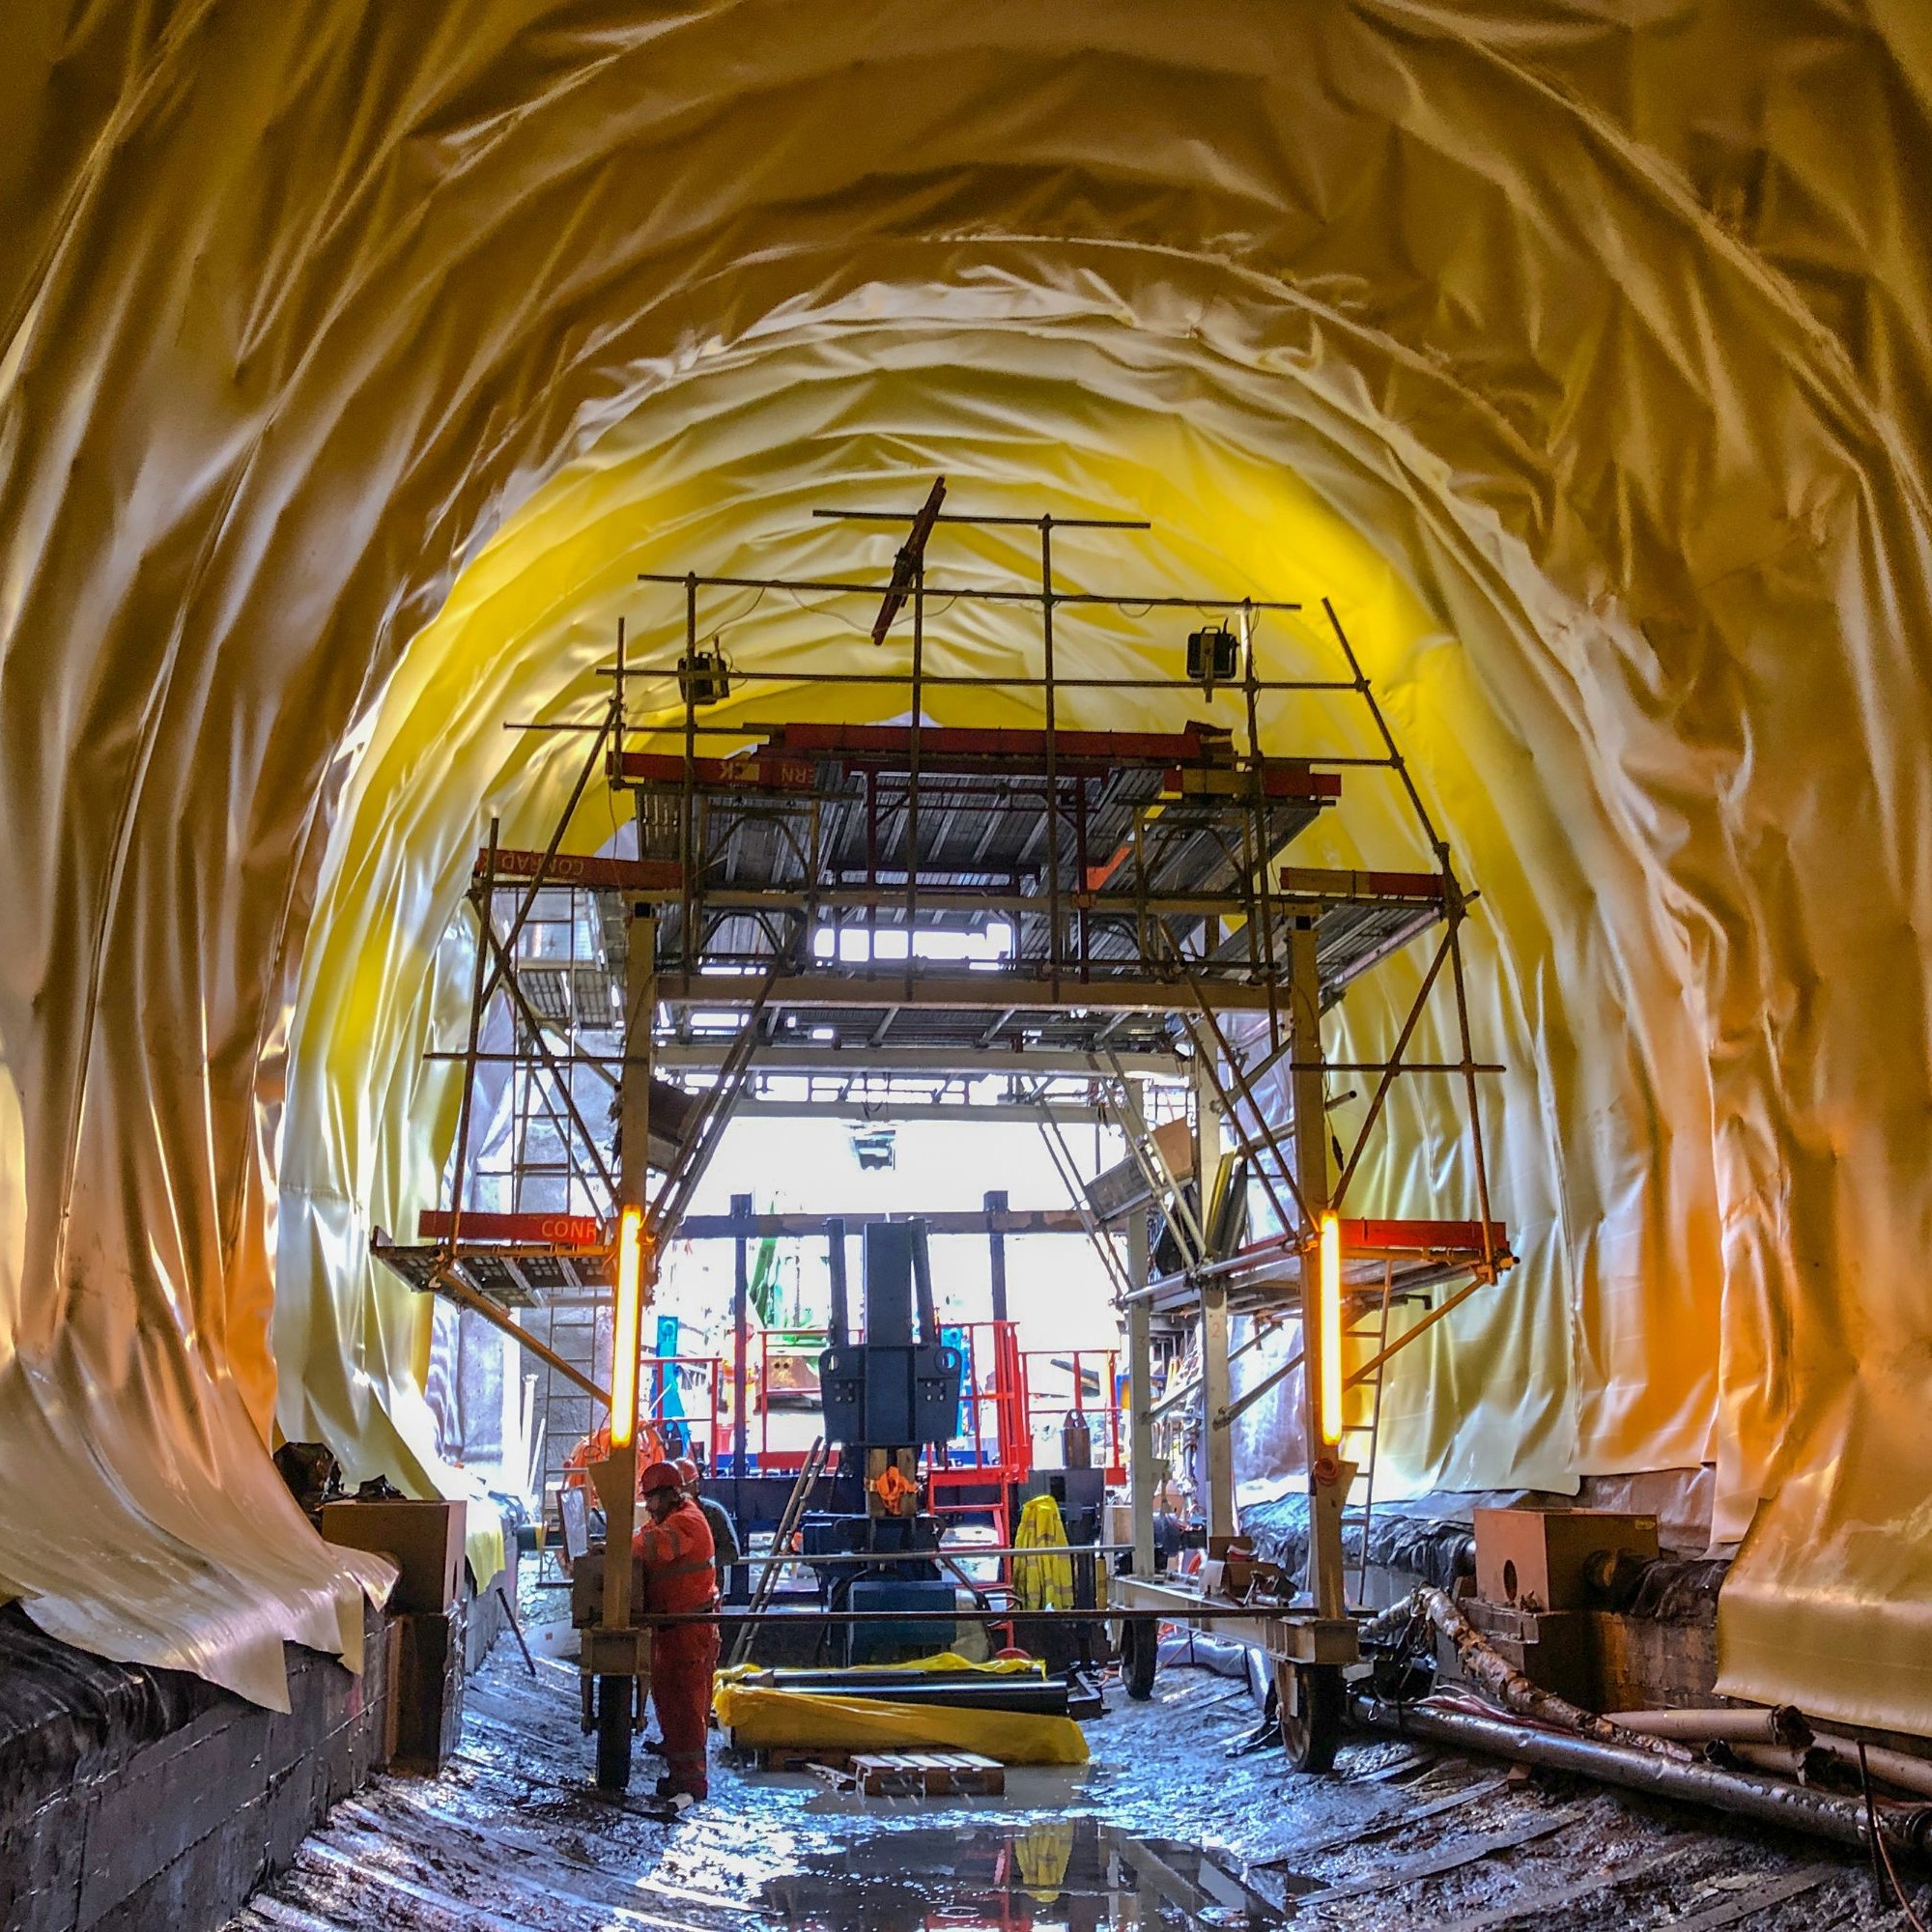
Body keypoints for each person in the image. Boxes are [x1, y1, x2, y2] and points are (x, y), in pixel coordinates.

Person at [632, 1459, 719, 1802]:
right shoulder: (679, 1518)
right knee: (672, 1707)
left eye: (652, 1499)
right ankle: (681, 1777)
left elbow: (647, 1547)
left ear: (669, 1495)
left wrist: (612, 1548)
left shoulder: (685, 1523)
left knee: (687, 1710)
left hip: (688, 1632)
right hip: (676, 1630)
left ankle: (693, 1785)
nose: (650, 1506)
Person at [673, 1455, 742, 1594]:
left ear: (695, 1485)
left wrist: (701, 1560)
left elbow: (731, 1553)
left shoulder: (712, 1513)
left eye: (683, 1487)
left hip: (708, 1591)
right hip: (677, 1594)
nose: (679, 1493)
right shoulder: (665, 1516)